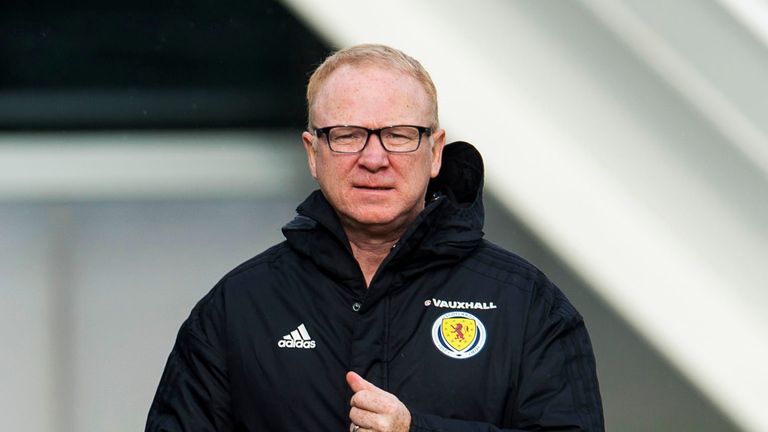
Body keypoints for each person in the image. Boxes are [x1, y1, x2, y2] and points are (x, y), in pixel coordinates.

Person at [146, 44, 604, 432]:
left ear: (435, 151)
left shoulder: (527, 305)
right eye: (347, 135)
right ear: (313, 152)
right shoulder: (239, 307)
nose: (373, 158)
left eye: (398, 135)